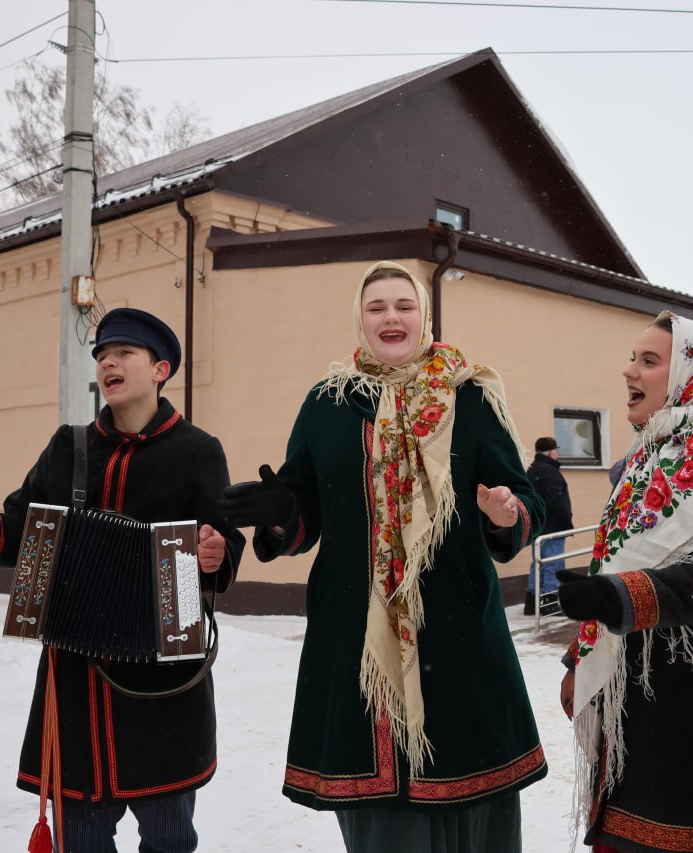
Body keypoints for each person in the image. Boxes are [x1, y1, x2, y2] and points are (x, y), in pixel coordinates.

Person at [218, 261, 548, 853]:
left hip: (458, 638)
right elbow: (303, 509)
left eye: (403, 305)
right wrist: (279, 508)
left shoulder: (469, 398)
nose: (390, 317)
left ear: (423, 317)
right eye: (377, 307)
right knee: (383, 825)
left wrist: (505, 511)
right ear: (360, 319)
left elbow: (523, 498)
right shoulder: (329, 403)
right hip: (358, 639)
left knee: (476, 815)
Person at [0, 306, 245, 853]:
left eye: (124, 352)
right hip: (75, 685)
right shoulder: (68, 448)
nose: (109, 363)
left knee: (170, 838)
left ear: (160, 369)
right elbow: (20, 535)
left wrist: (215, 552)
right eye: (102, 355)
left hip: (163, 687)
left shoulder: (198, 452)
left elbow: (217, 546)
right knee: (80, 838)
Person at [554, 310, 693, 853]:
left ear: (691, 374)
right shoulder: (654, 452)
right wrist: (584, 654)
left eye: (649, 361)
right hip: (633, 694)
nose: (629, 371)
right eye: (632, 358)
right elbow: (618, 560)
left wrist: (626, 600)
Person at [525, 436, 573, 615]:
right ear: (552, 452)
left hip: (538, 526)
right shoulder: (550, 472)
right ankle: (550, 602)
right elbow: (557, 500)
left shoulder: (532, 470)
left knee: (538, 563)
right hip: (553, 526)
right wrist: (566, 520)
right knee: (553, 562)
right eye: (556, 451)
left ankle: (531, 601)